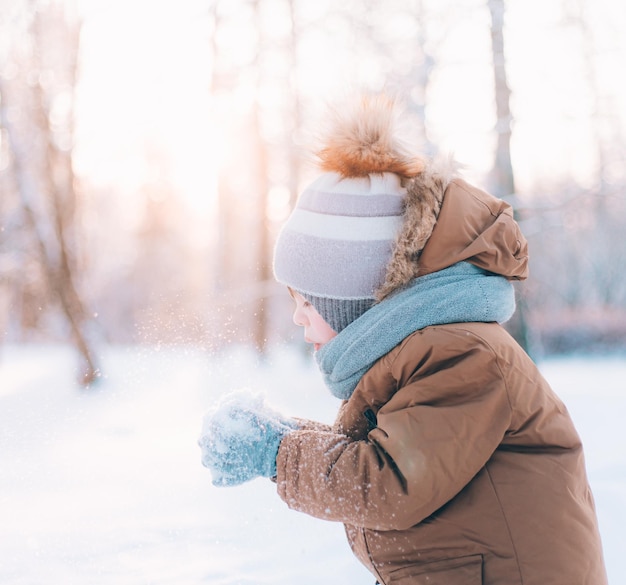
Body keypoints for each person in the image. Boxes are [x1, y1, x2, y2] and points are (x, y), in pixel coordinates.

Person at [198, 95, 607, 585]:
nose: (297, 318)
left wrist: (278, 453)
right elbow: (392, 449)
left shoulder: (463, 355)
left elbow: (388, 481)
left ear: (352, 300)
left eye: (308, 302)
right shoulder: (424, 350)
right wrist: (283, 432)